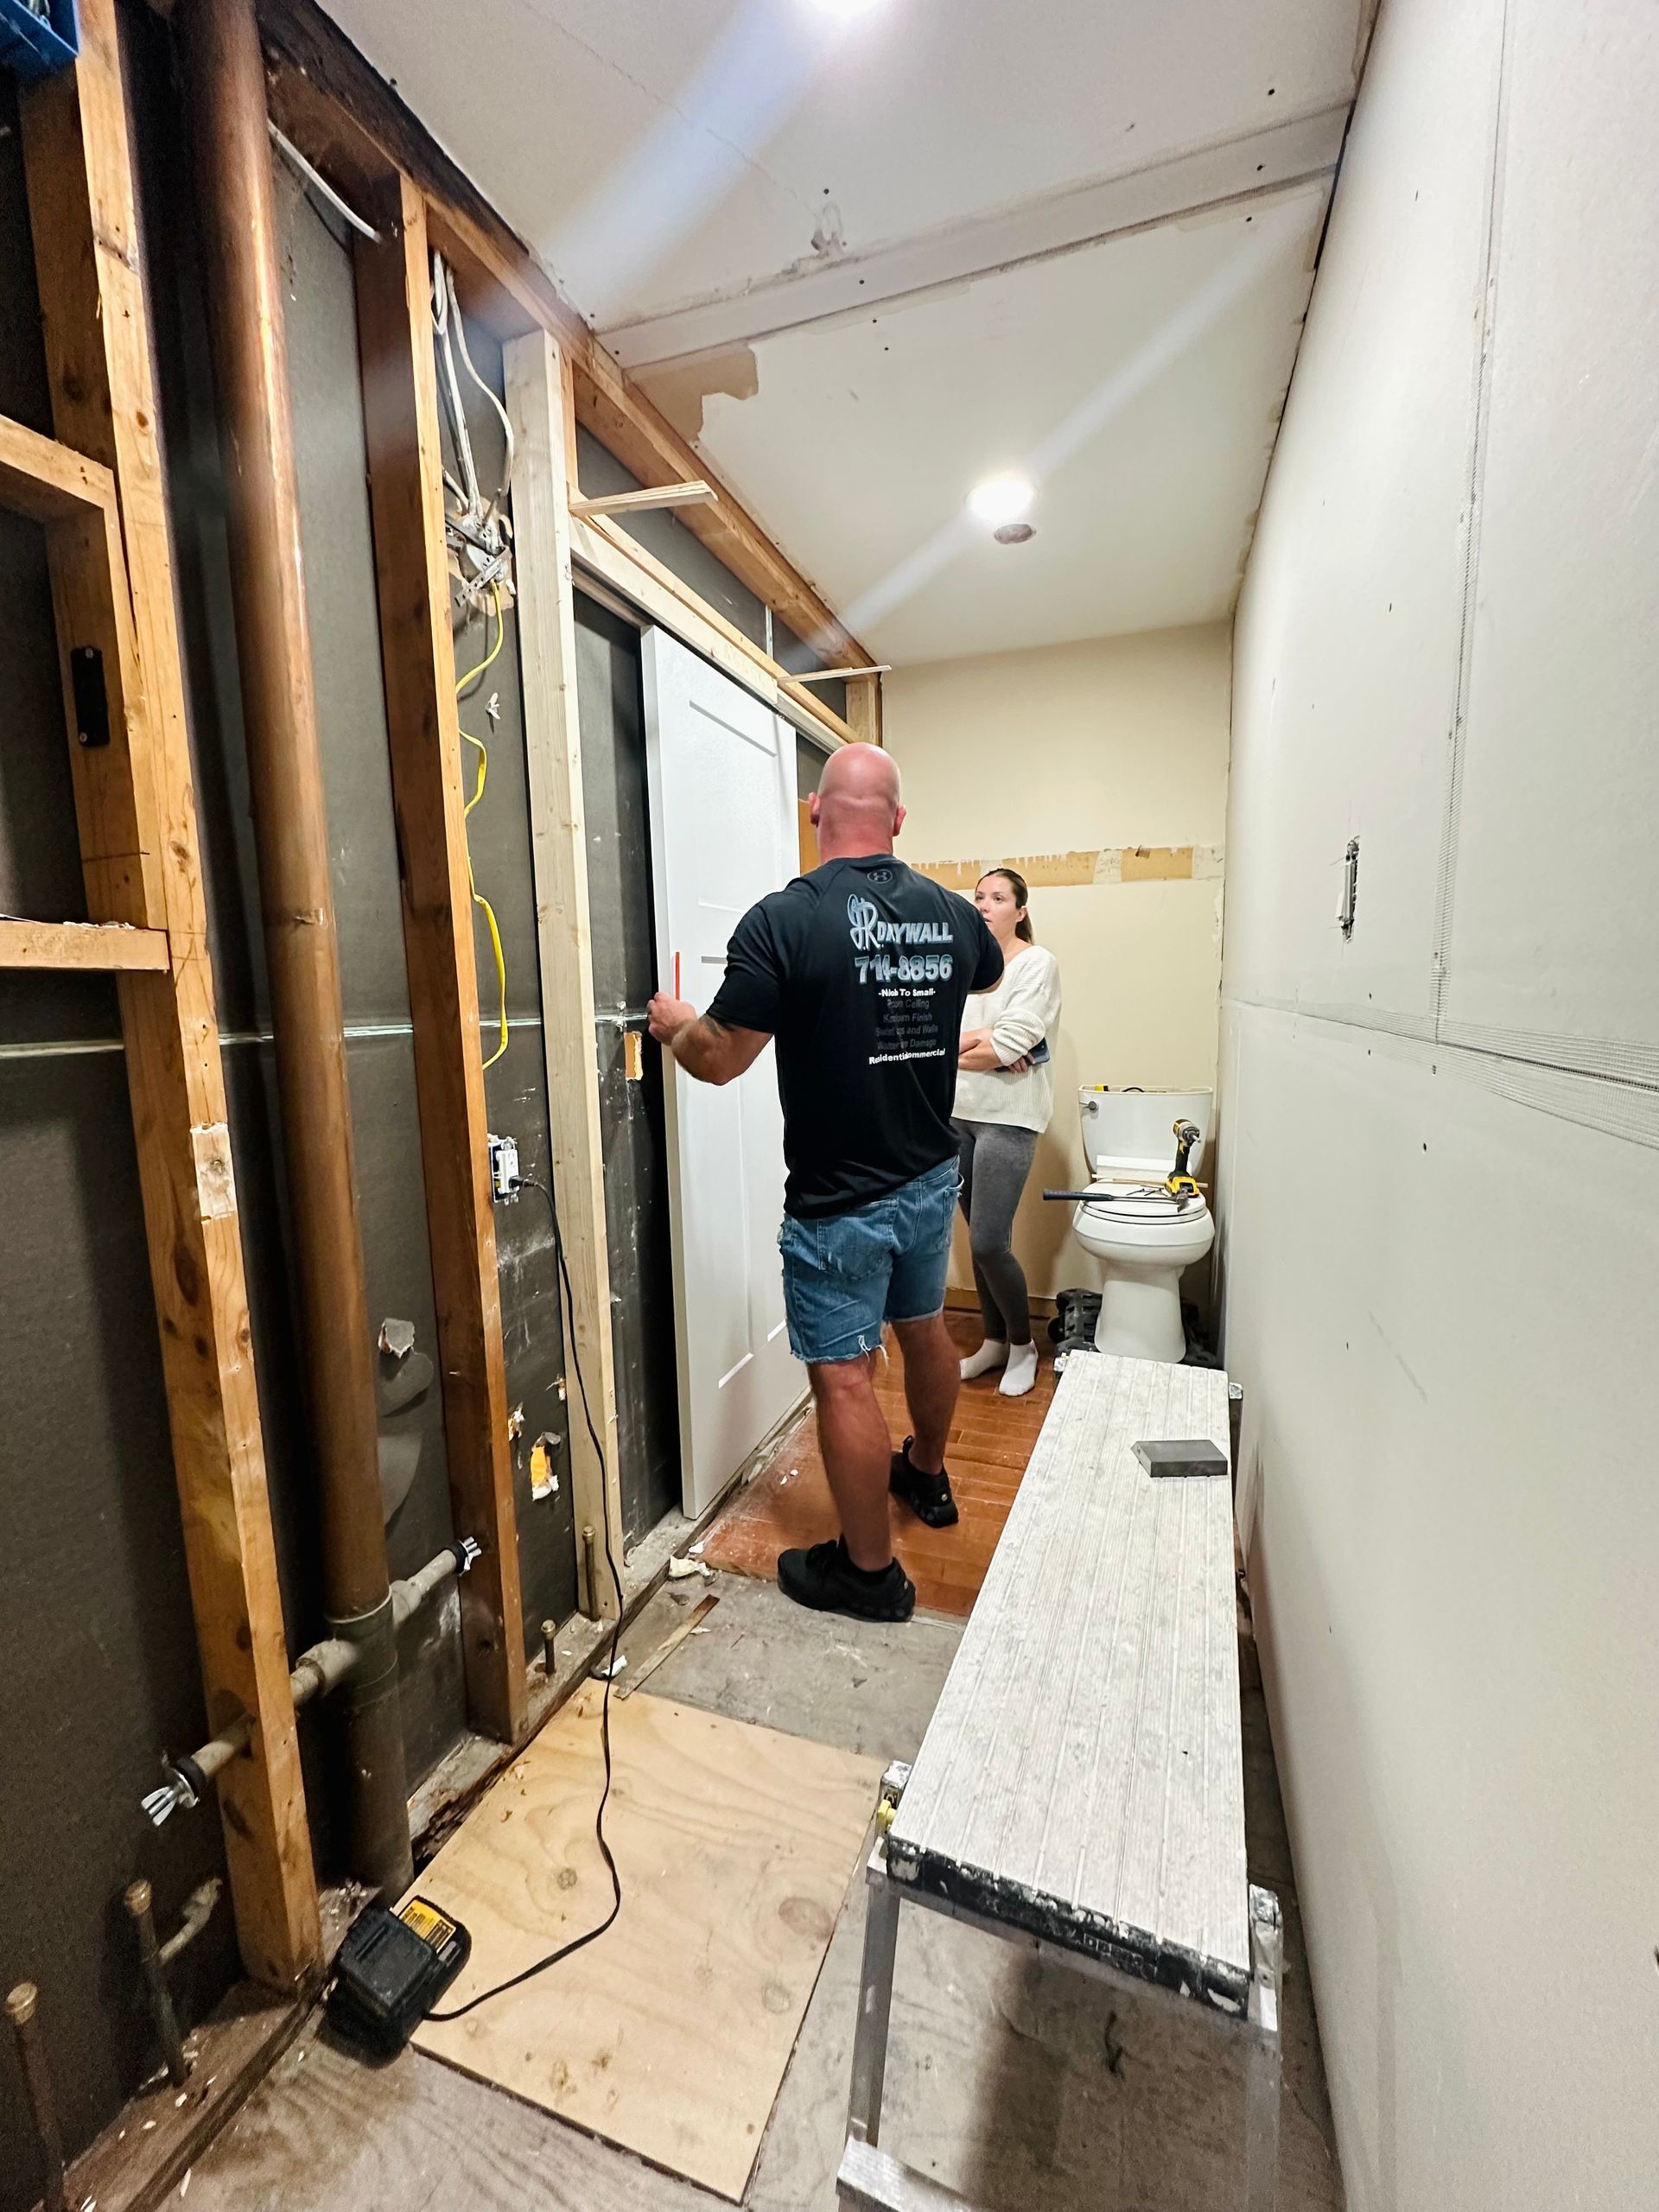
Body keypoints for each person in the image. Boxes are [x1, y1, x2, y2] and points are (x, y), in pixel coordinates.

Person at [646, 743, 1002, 1624]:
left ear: (815, 811)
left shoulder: (785, 919)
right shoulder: (953, 914)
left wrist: (678, 1023)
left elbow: (720, 1059)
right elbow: (987, 970)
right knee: (924, 1327)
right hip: (931, 1174)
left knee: (844, 1379)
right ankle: (927, 1475)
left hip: (841, 1200)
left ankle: (869, 1574)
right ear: (898, 820)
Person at [952, 868, 1062, 1397]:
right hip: (957, 1114)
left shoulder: (1037, 964)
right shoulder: (961, 965)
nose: (984, 905)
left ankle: (1023, 1346)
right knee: (977, 1241)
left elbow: (1011, 1042)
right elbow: (931, 1030)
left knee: (990, 1241)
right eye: (979, 897)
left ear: (1020, 911)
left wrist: (987, 1045)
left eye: (998, 898)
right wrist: (987, 1043)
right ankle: (994, 1341)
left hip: (1009, 1118)